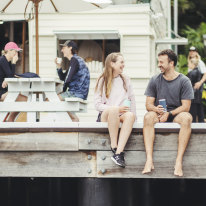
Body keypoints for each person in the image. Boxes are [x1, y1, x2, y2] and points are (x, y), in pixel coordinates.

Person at [142, 49, 193, 177]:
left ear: (171, 63)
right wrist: (156, 109)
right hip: (158, 115)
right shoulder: (154, 80)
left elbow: (186, 106)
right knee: (148, 117)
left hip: (175, 115)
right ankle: (149, 160)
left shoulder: (184, 81)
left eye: (161, 62)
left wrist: (169, 114)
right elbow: (148, 104)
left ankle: (178, 162)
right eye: (158, 62)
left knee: (187, 118)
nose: (159, 65)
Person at [94, 52, 136, 168]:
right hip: (106, 115)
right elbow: (97, 105)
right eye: (121, 62)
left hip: (121, 115)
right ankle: (114, 146)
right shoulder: (102, 80)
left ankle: (118, 154)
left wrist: (134, 116)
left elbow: (132, 99)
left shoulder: (126, 79)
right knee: (113, 110)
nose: (124, 65)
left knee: (130, 116)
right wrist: (116, 108)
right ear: (112, 64)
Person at [55, 40, 90, 122]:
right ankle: (73, 118)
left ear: (70, 48)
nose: (61, 50)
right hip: (80, 92)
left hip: (76, 92)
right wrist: (59, 67)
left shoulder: (74, 60)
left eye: (63, 48)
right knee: (57, 99)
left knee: (54, 99)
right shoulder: (76, 60)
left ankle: (73, 118)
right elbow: (64, 78)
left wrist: (62, 91)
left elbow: (67, 80)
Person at [0, 42, 27, 122]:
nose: (16, 53)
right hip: (1, 92)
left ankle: (10, 118)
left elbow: (10, 76)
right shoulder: (2, 60)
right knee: (25, 100)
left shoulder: (6, 61)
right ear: (9, 51)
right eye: (15, 51)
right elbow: (11, 77)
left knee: (24, 99)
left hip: (4, 90)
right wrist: (14, 63)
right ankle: (10, 119)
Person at [187, 57, 204, 122]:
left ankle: (193, 126)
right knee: (200, 112)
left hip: (193, 96)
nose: (188, 65)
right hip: (198, 95)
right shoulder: (198, 72)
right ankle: (201, 126)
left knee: (193, 113)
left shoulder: (192, 73)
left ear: (193, 64)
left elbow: (188, 84)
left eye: (189, 63)